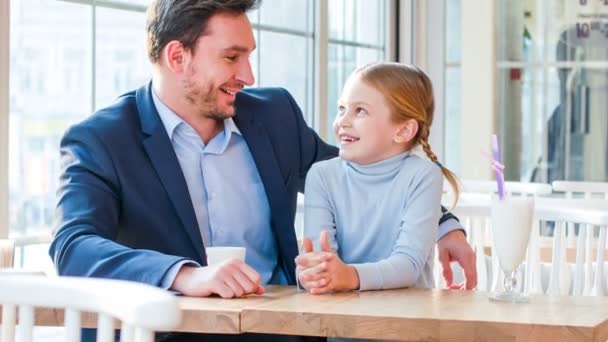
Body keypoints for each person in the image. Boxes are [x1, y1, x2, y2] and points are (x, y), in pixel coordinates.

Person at [49, 0, 476, 338]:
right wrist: (185, 275)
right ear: (178, 56)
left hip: (279, 329)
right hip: (169, 330)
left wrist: (444, 225)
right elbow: (73, 246)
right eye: (232, 58)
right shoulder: (101, 140)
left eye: (248, 57)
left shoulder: (273, 116)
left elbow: (367, 171)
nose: (248, 75)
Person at [296, 63, 459, 294]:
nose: (343, 121)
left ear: (403, 131)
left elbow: (409, 265)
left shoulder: (424, 176)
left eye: (360, 110)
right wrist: (312, 273)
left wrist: (349, 276)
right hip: (339, 322)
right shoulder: (322, 176)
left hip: (407, 323)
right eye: (342, 108)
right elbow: (319, 261)